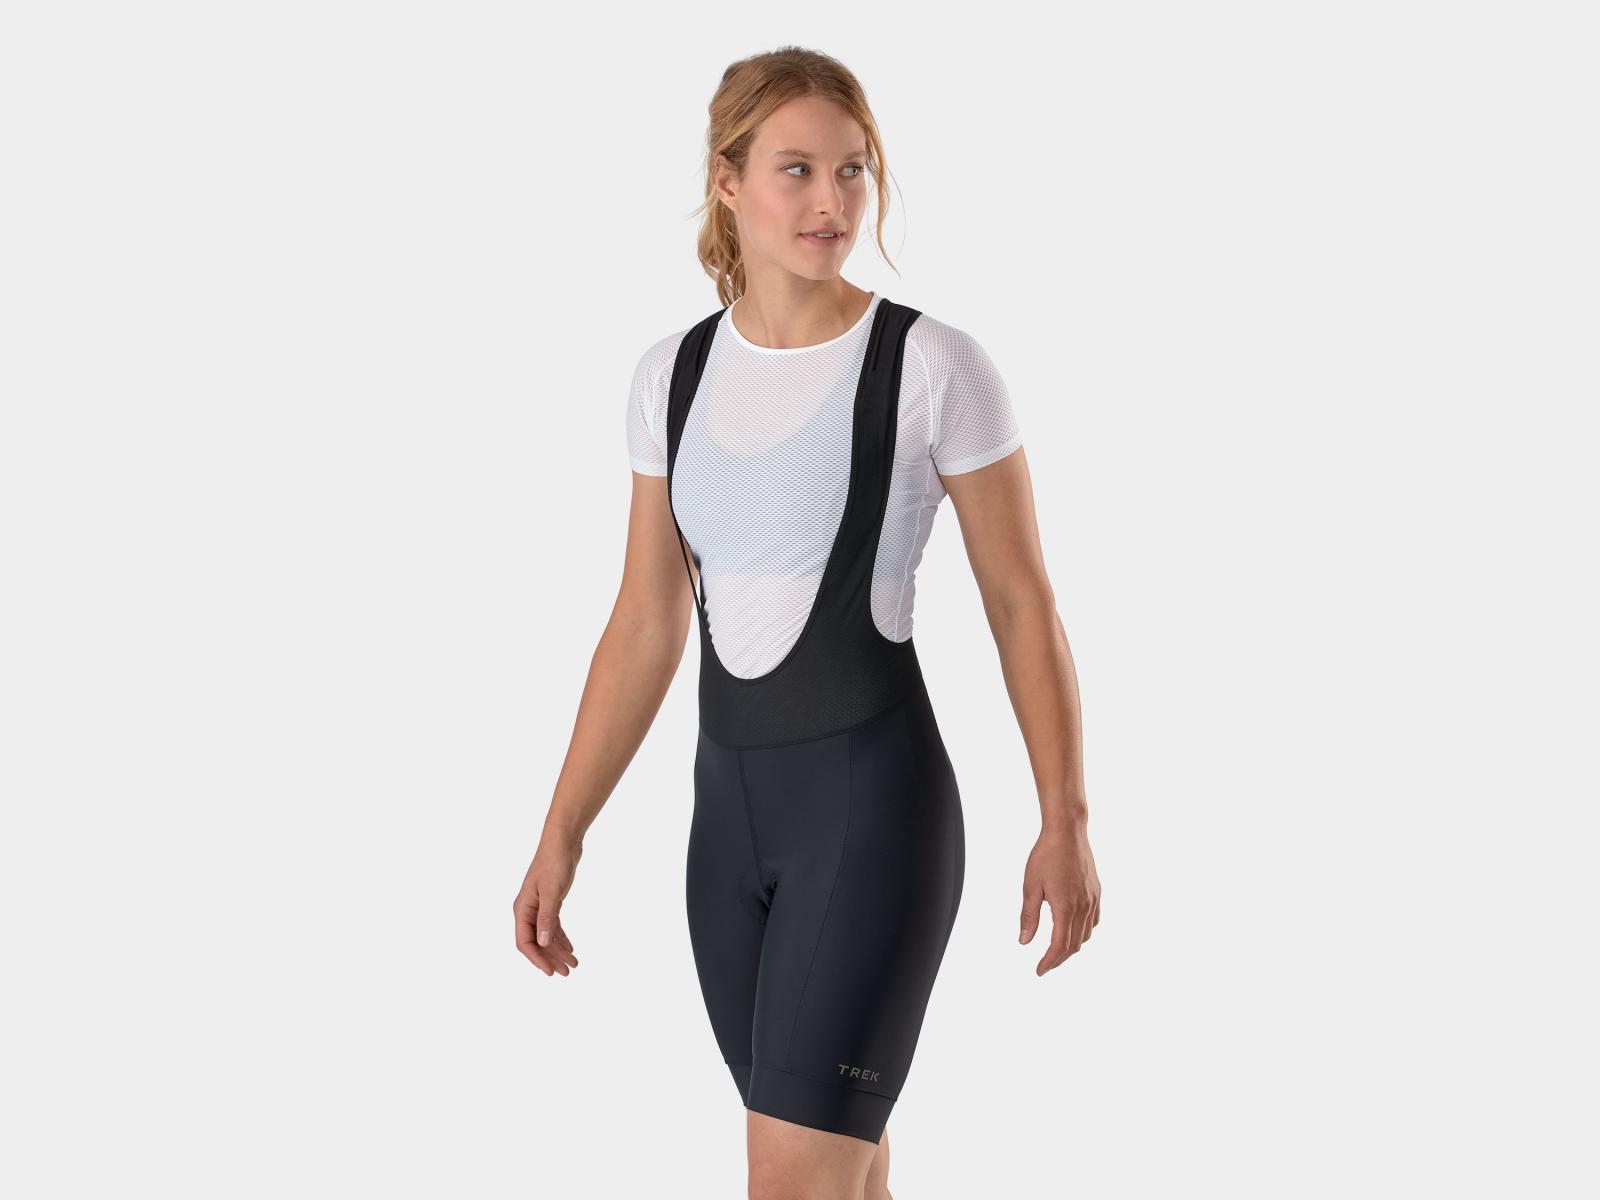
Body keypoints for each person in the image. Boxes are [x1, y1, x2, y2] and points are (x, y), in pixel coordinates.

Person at [513, 46, 1101, 1200]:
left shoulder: (931, 366)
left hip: (869, 816)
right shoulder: (672, 376)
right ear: (727, 181)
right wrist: (561, 830)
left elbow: (1020, 602)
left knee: (788, 1178)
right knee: (841, 1176)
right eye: (796, 170)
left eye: (852, 169)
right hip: (725, 833)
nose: (832, 201)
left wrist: (1063, 817)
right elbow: (644, 620)